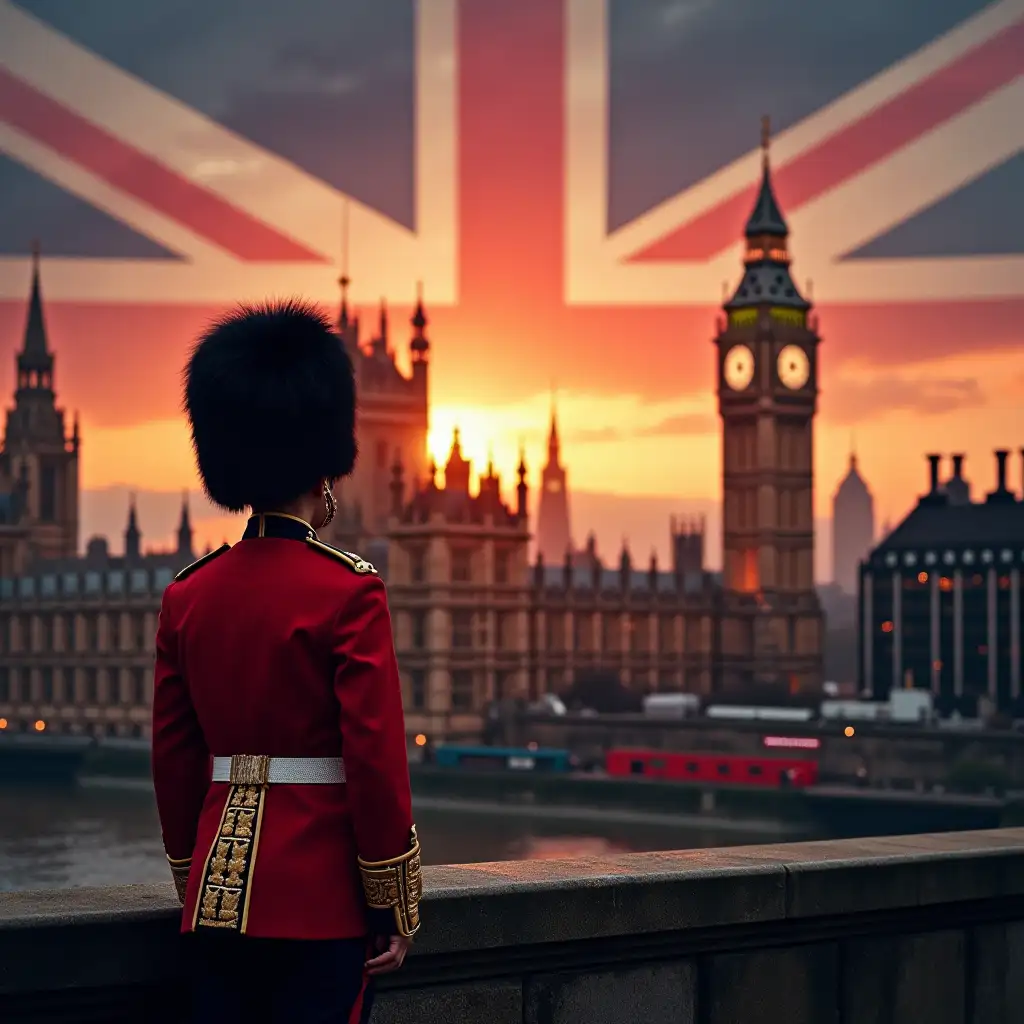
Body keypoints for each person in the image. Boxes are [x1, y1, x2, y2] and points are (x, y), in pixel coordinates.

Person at [151, 300, 421, 1024]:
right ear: (324, 472)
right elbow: (374, 760)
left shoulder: (189, 595)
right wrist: (392, 901)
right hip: (322, 908)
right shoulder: (350, 589)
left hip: (214, 905)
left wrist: (195, 875)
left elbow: (175, 764)